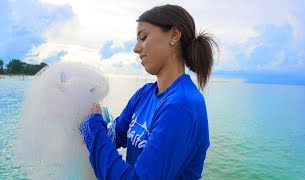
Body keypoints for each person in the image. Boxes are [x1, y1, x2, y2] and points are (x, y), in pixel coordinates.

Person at [80, 4, 218, 179]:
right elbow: (114, 136)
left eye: (143, 37)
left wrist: (93, 126)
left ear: (174, 35)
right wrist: (90, 116)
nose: (136, 48)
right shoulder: (144, 94)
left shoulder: (182, 106)